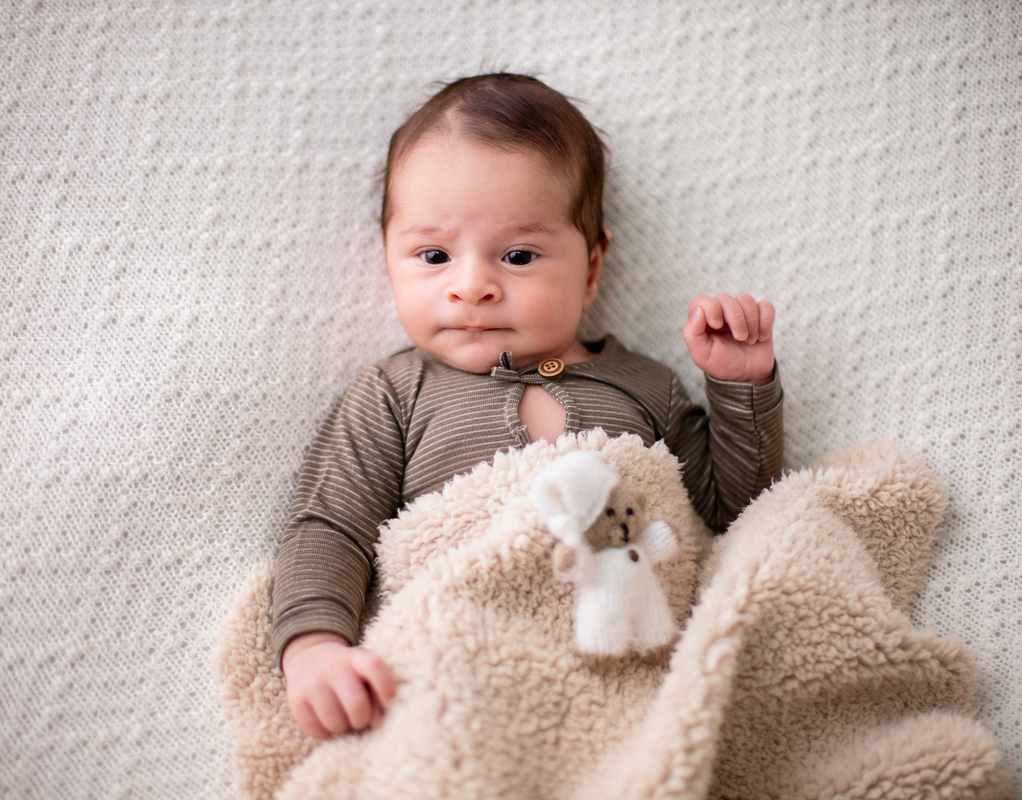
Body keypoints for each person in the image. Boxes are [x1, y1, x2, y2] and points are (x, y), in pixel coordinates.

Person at [271, 73, 783, 742]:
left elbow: (734, 512)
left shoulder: (644, 387)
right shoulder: (395, 395)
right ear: (390, 260)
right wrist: (314, 651)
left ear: (592, 268)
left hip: (630, 679)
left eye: (517, 255)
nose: (473, 286)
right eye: (433, 255)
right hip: (459, 682)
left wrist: (741, 386)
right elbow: (330, 527)